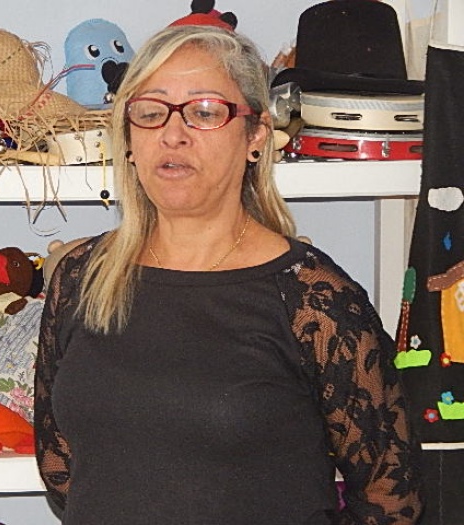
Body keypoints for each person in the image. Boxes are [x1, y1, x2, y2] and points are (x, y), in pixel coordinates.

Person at [34, 24, 424, 524]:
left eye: (204, 112)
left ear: (255, 137)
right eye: (150, 112)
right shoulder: (80, 278)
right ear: (128, 139)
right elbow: (61, 467)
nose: (173, 134)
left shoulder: (313, 300)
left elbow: (392, 502)